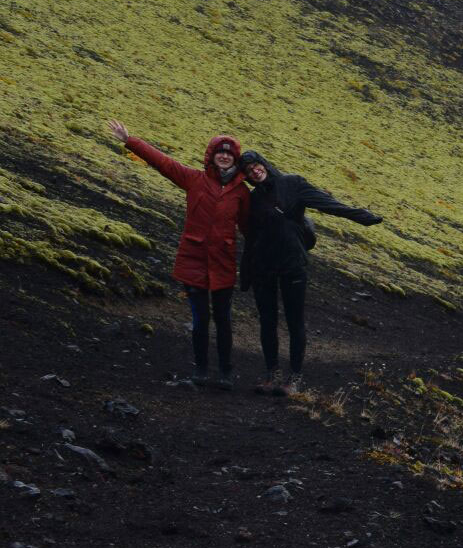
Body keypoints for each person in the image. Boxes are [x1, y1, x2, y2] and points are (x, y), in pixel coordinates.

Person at [108, 119, 249, 389]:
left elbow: (249, 226)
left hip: (223, 262)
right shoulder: (194, 179)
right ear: (211, 155)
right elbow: (164, 163)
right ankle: (201, 371)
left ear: (235, 159)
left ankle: (226, 373)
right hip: (194, 260)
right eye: (220, 151)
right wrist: (130, 140)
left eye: (229, 154)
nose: (224, 156)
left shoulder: (242, 193)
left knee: (223, 318)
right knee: (200, 319)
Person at [237, 150, 382, 396]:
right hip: (263, 267)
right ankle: (272, 375)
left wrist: (363, 217)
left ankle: (294, 378)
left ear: (264, 163)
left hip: (293, 264)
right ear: (247, 177)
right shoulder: (252, 200)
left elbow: (329, 205)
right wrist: (246, 273)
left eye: (256, 165)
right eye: (248, 171)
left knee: (295, 321)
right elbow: (251, 239)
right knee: (267, 322)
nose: (254, 172)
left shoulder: (293, 184)